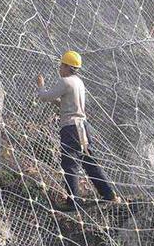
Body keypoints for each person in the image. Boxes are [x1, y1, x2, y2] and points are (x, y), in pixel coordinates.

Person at [36, 50, 119, 208]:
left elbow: (45, 97)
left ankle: (73, 201)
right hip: (82, 127)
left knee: (70, 164)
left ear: (67, 66)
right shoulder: (78, 82)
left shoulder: (65, 81)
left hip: (71, 128)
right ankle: (109, 193)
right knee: (89, 162)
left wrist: (40, 86)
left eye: (61, 65)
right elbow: (67, 104)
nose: (59, 68)